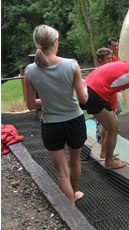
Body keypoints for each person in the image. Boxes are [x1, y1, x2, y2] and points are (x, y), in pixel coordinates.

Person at [24, 24, 88, 205]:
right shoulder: (71, 64)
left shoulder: (30, 71)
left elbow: (30, 104)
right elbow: (83, 99)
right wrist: (84, 86)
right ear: (54, 42)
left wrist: (48, 99)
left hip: (51, 125)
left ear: (38, 44)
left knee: (61, 171)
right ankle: (73, 195)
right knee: (75, 162)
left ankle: (70, 205)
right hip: (74, 121)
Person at [80, 60, 129, 169]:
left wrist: (112, 110)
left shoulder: (125, 64)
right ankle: (109, 162)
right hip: (95, 93)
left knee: (107, 126)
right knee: (113, 130)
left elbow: (110, 88)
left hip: (88, 88)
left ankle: (104, 152)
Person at [94, 47, 123, 158]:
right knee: (110, 130)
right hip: (106, 104)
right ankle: (107, 156)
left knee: (105, 128)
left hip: (111, 102)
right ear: (100, 60)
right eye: (108, 59)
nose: (111, 61)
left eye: (111, 58)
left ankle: (104, 152)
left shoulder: (108, 69)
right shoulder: (102, 71)